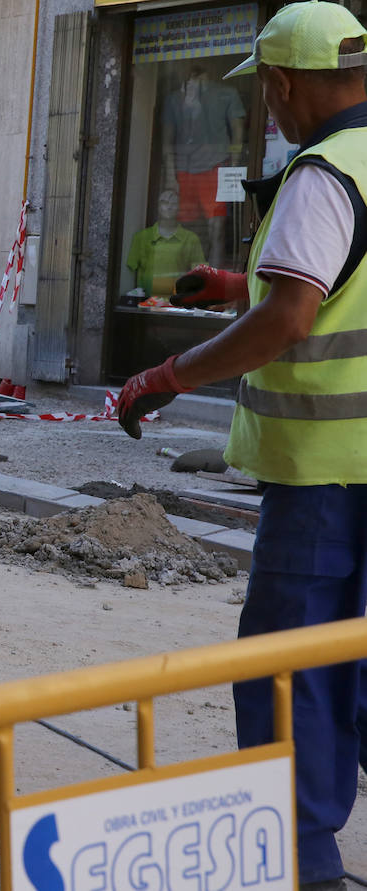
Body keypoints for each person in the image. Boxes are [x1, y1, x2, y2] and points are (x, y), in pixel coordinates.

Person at [117, 6, 367, 888]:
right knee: (354, 666)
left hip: (327, 479)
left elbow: (296, 315)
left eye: (265, 86)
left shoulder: (321, 174)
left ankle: (298, 857)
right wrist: (239, 284)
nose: (267, 105)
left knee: (286, 662)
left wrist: (168, 375)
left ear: (285, 83)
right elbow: (338, 286)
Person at [161, 64, 247, 266]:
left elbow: (238, 132)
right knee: (185, 230)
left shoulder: (227, 94)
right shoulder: (174, 99)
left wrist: (232, 168)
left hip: (216, 167)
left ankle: (213, 282)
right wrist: (171, 175)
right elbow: (166, 140)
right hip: (184, 169)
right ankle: (183, 281)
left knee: (216, 229)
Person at [124, 188, 206, 298]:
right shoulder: (141, 237)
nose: (169, 206)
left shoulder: (191, 238)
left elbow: (200, 275)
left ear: (179, 207)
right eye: (164, 202)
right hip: (147, 303)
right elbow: (128, 273)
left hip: (178, 303)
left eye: (174, 203)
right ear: (158, 206)